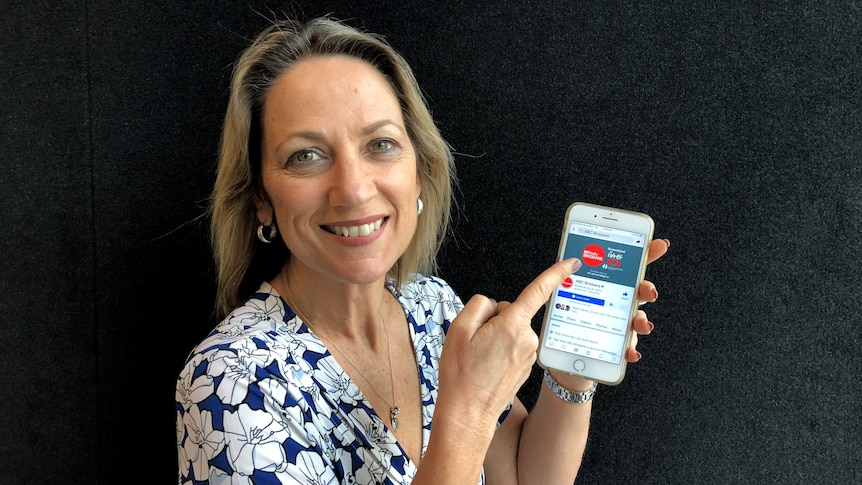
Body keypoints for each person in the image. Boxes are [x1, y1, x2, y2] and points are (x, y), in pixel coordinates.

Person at [174, 15, 669, 485]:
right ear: (261, 199)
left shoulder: (430, 306)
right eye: (306, 155)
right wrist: (467, 414)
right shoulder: (229, 382)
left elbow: (521, 476)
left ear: (419, 171)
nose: (353, 189)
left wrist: (570, 377)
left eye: (380, 145)